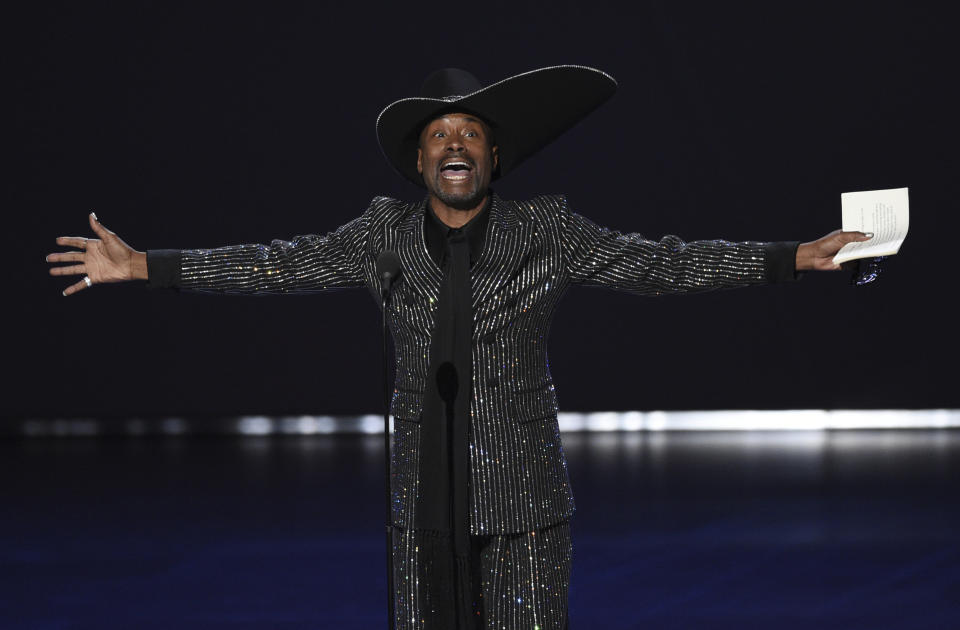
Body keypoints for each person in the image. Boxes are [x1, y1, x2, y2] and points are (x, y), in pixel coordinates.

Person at [47, 66, 871, 629]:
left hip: (523, 513)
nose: (454, 145)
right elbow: (277, 264)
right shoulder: (382, 234)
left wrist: (788, 257)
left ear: (493, 154)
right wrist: (146, 267)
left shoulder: (545, 230)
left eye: (470, 133)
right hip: (421, 516)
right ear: (418, 158)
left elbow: (660, 264)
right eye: (439, 132)